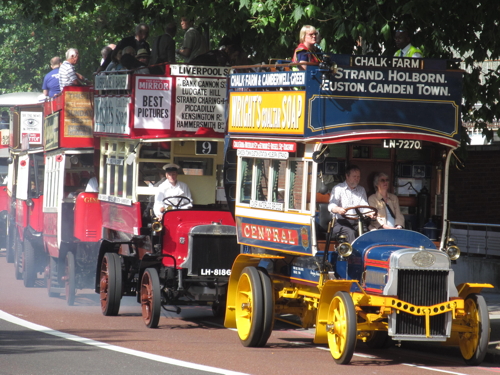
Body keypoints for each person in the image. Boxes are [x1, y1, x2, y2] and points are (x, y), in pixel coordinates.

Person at [328, 165, 374, 243]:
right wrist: (338, 209)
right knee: (351, 233)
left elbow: (364, 206)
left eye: (358, 177)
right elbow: (331, 205)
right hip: (341, 222)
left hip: (357, 221)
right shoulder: (338, 188)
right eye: (354, 176)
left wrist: (370, 212)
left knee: (366, 234)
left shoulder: (361, 190)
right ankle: (352, 254)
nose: (357, 179)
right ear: (347, 176)